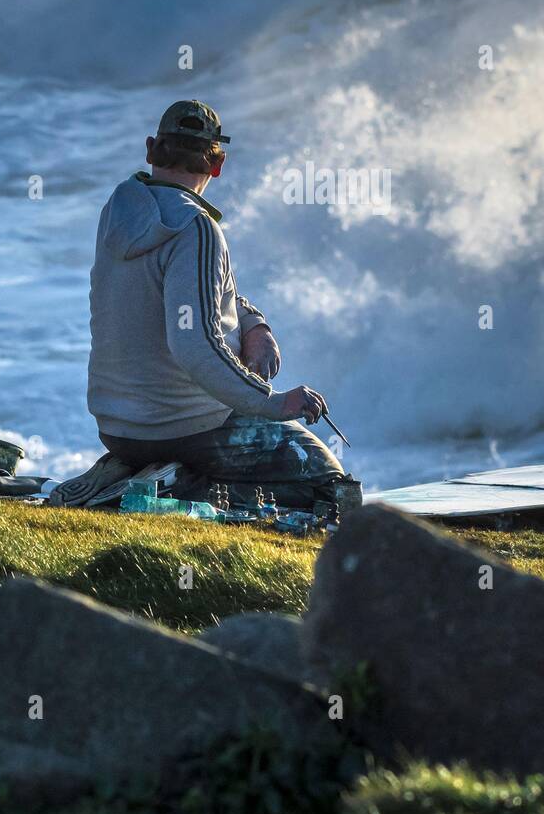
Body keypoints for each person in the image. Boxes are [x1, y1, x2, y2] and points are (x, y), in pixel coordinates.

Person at [57, 101, 349, 510]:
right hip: (186, 425)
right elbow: (193, 344)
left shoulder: (119, 210)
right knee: (328, 485)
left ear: (150, 149)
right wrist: (272, 401)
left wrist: (253, 325)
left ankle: (140, 473)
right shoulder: (195, 228)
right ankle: (172, 488)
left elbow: (194, 296)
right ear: (218, 164)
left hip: (119, 427)